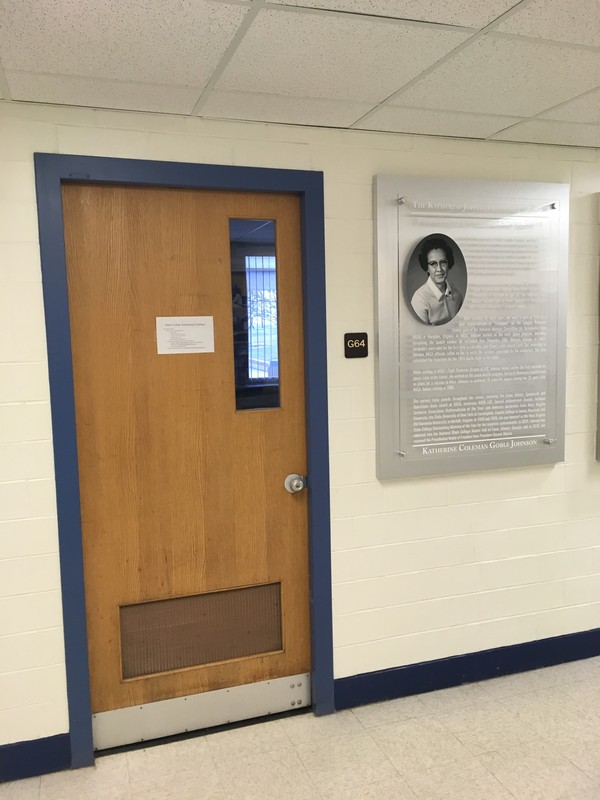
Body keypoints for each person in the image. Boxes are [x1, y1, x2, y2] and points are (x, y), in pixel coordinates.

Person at [410, 237, 463, 325]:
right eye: (433, 264)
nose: (439, 269)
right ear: (427, 268)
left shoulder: (457, 295)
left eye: (443, 262)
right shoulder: (419, 299)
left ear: (448, 263)